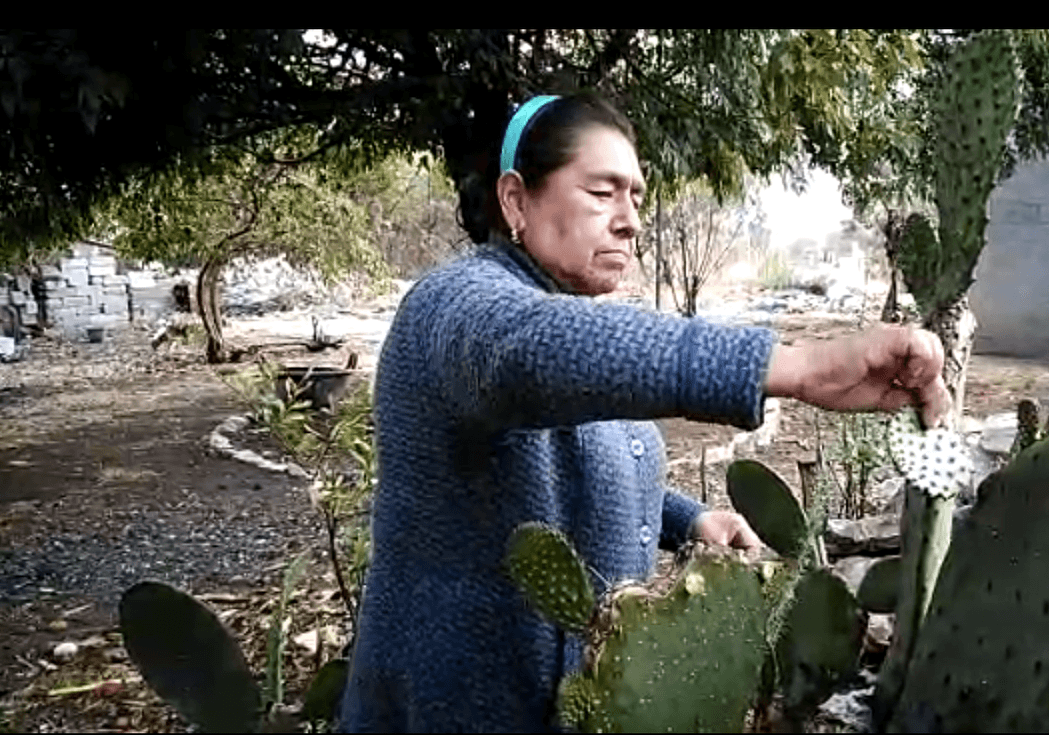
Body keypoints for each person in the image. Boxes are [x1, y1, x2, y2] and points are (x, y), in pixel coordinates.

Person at [340, 92, 951, 732]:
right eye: (603, 193)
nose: (630, 219)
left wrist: (690, 519)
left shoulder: (577, 324)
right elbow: (525, 352)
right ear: (517, 199)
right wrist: (797, 368)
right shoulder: (455, 304)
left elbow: (576, 465)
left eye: (635, 196)